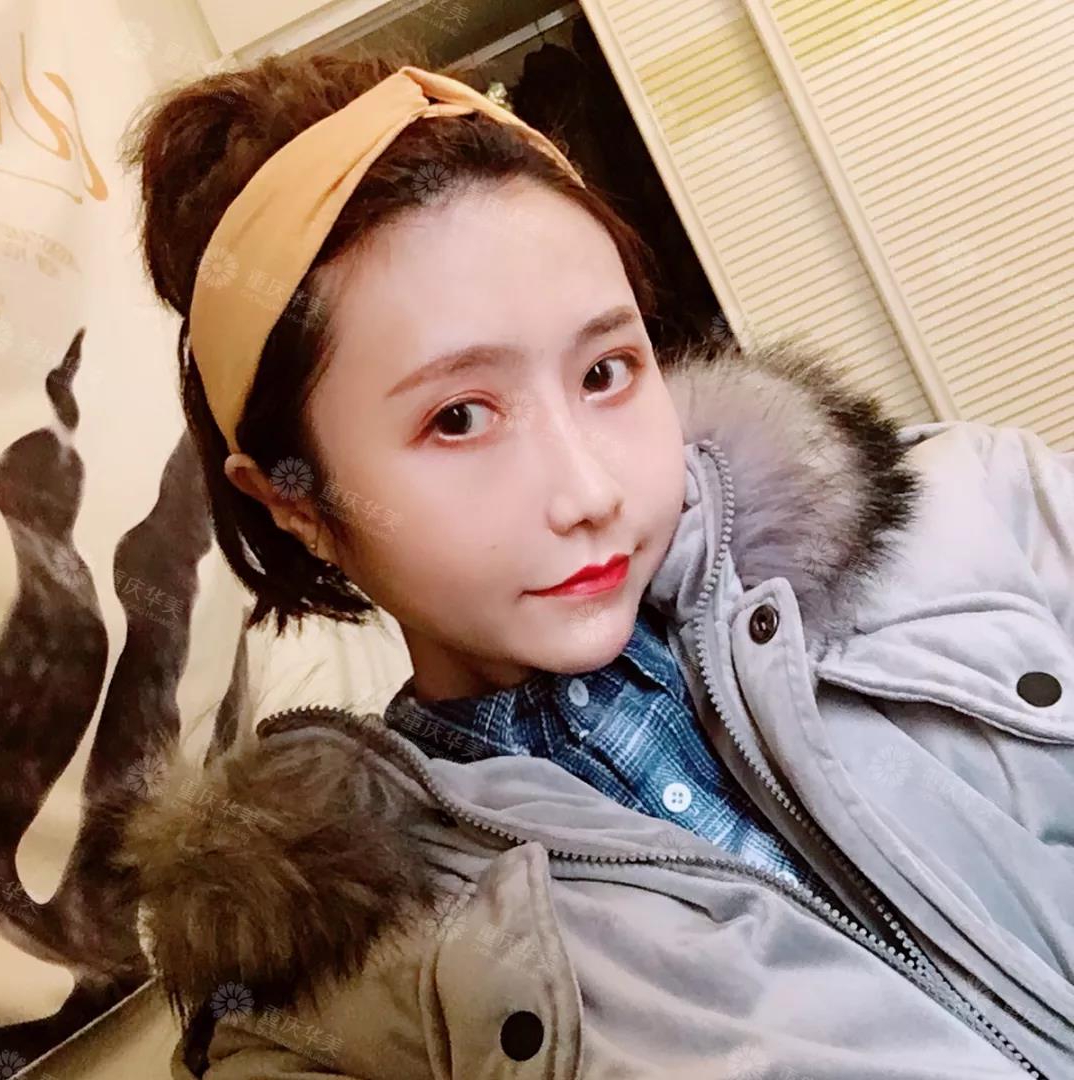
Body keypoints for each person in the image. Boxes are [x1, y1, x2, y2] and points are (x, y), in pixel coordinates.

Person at [115, 48, 1074, 1079]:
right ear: (297, 501)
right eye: (459, 418)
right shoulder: (330, 1007)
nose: (589, 492)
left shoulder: (985, 506)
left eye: (606, 371)